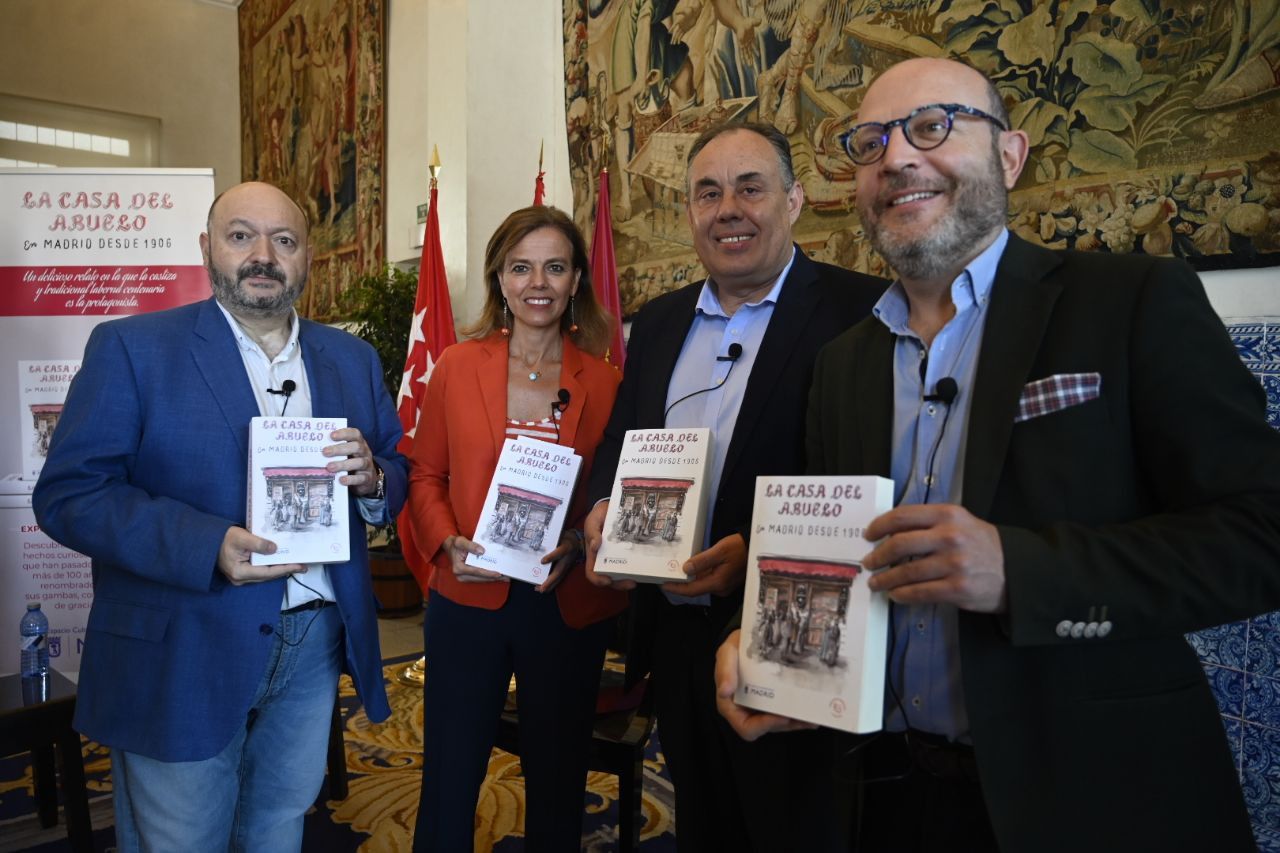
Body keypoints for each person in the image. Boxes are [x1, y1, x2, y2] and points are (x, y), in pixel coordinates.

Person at [714, 57, 1280, 852]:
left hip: (1093, 795)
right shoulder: (842, 363)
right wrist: (766, 638)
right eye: (871, 141)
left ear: (1009, 156)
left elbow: (1262, 533)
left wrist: (1021, 571)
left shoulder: (1133, 301)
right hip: (885, 797)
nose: (899, 157)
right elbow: (825, 558)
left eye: (933, 125)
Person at [32, 181, 409, 852]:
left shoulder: (350, 358)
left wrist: (376, 476)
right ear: (207, 248)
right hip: (184, 642)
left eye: (283, 241)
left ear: (307, 258)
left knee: (277, 826)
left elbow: (396, 465)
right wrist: (205, 544)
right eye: (242, 236)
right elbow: (69, 495)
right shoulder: (131, 348)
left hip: (312, 641)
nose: (262, 255)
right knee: (181, 838)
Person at [583, 121, 885, 852]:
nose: (728, 209)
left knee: (798, 825)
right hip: (674, 634)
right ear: (688, 212)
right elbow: (619, 446)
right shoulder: (656, 323)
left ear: (795, 200)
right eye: (708, 193)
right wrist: (600, 508)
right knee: (706, 821)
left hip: (795, 625)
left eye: (750, 188)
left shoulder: (864, 311)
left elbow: (878, 470)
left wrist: (751, 553)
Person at [407, 205, 628, 852]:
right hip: (469, 597)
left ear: (576, 279)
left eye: (555, 266)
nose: (538, 282)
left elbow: (613, 493)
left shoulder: (608, 381)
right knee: (451, 770)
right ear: (499, 279)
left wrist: (582, 544)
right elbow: (425, 475)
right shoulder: (456, 365)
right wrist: (447, 542)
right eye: (521, 266)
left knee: (558, 776)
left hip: (562, 604)